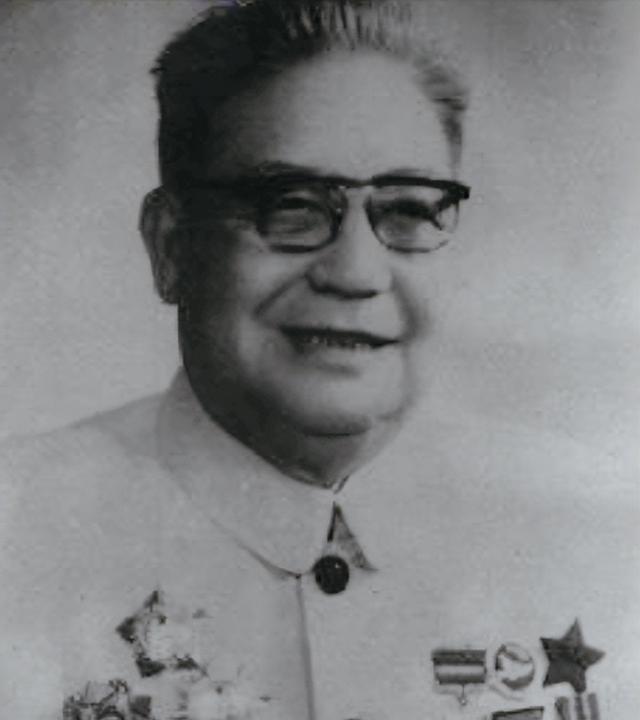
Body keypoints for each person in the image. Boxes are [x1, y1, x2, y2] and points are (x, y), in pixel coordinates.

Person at [0, 1, 637, 719]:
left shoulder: (595, 527)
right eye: (291, 203)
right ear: (172, 247)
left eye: (408, 210)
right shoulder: (15, 534)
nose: (357, 271)